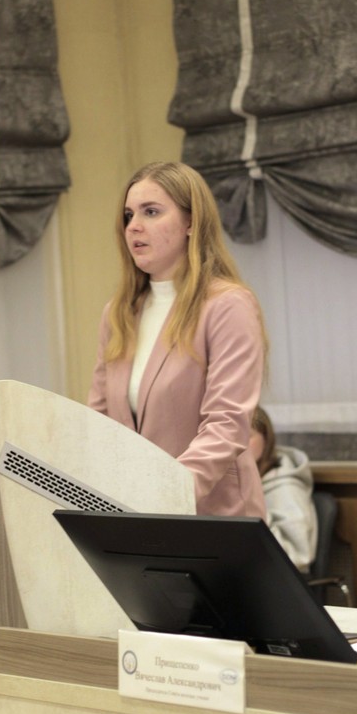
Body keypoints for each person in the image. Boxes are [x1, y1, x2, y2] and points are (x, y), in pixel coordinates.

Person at [88, 160, 267, 518]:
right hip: (138, 516)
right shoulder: (119, 313)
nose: (134, 226)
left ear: (191, 222)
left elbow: (227, 424)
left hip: (216, 517)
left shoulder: (227, 305)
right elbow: (99, 419)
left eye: (151, 212)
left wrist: (166, 492)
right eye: (128, 215)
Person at [250, 406, 318, 572]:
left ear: (266, 439)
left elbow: (299, 556)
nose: (236, 445)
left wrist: (251, 507)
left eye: (246, 436)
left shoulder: (286, 487)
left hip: (274, 580)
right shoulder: (227, 481)